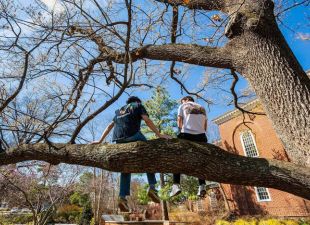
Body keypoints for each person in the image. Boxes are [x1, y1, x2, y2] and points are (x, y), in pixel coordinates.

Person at [91, 96, 171, 212]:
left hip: (118, 140)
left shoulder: (119, 111)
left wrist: (100, 140)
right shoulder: (138, 105)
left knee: (126, 166)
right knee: (149, 154)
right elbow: (146, 120)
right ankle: (152, 187)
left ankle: (122, 198)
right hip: (133, 135)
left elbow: (109, 126)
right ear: (137, 101)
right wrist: (159, 134)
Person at [169, 96, 208, 198]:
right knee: (199, 160)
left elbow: (179, 121)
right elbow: (205, 125)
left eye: (182, 101)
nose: (182, 103)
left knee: (176, 157)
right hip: (202, 136)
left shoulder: (183, 105)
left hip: (187, 134)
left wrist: (181, 130)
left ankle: (176, 185)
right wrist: (200, 133)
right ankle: (202, 185)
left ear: (186, 100)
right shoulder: (202, 107)